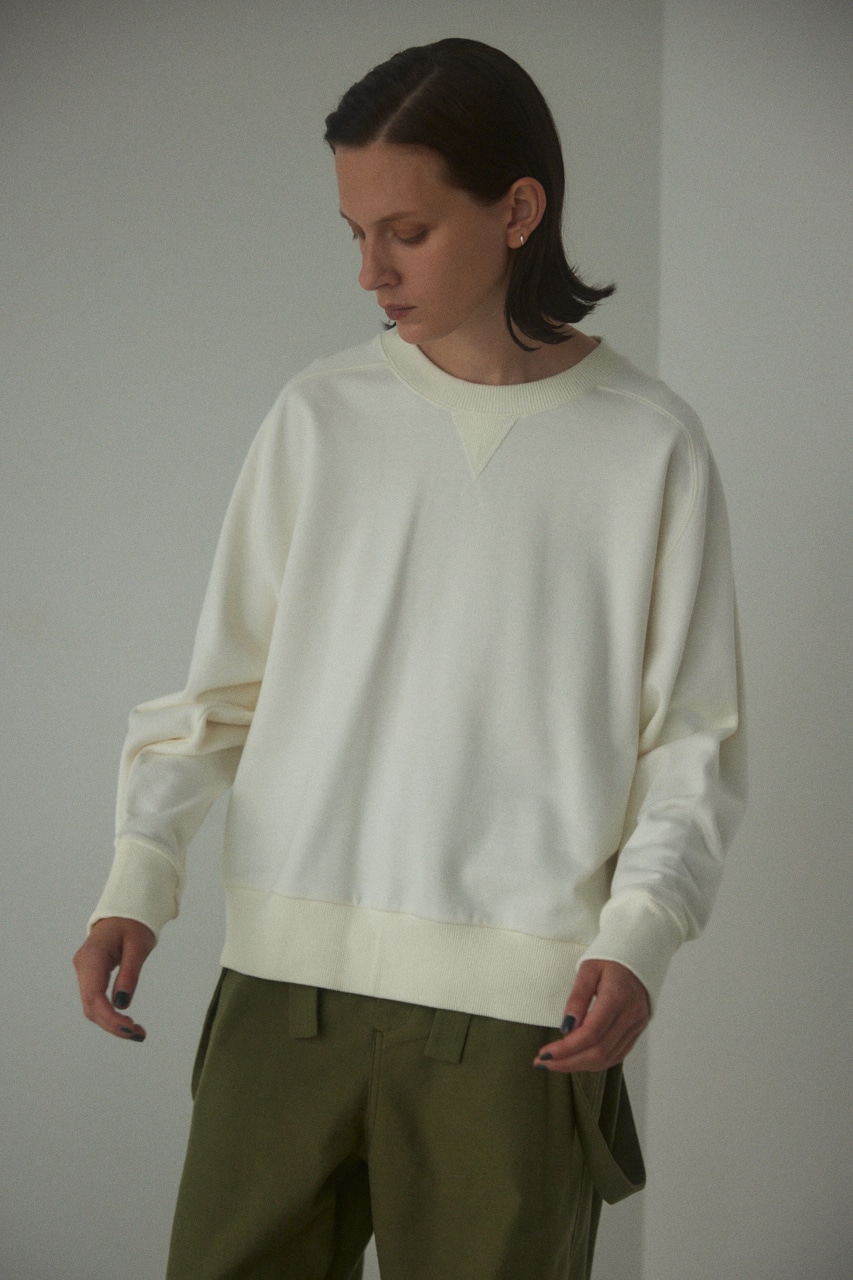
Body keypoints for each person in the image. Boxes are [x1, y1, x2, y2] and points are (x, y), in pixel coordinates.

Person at [73, 37, 745, 1280]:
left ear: (517, 210)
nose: (370, 271)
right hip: (282, 995)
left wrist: (642, 930)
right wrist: (139, 872)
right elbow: (220, 690)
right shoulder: (319, 416)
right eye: (354, 233)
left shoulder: (650, 445)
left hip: (520, 1019)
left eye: (408, 231)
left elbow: (691, 743)